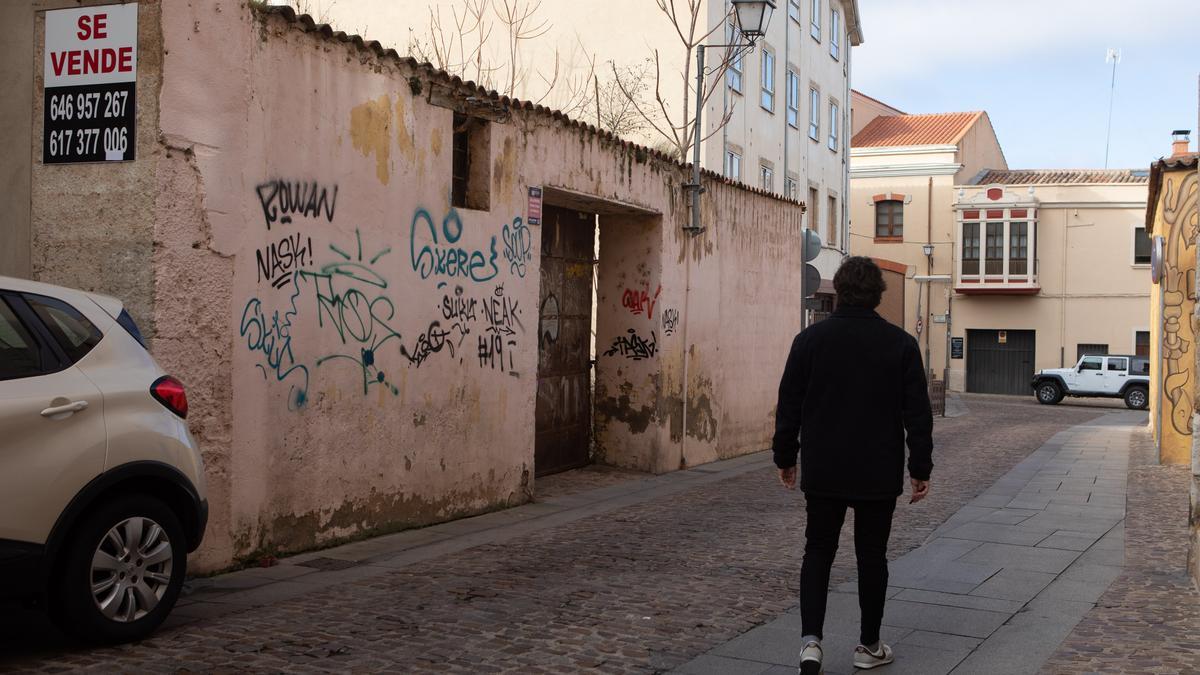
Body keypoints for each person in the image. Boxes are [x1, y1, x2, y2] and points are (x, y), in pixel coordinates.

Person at [772, 256, 933, 673]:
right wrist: (920, 467)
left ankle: (811, 643)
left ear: (839, 290)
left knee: (818, 551)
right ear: (878, 294)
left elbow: (788, 405)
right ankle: (869, 645)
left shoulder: (808, 341)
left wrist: (785, 457)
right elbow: (917, 413)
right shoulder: (900, 344)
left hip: (824, 467)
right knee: (871, 556)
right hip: (876, 470)